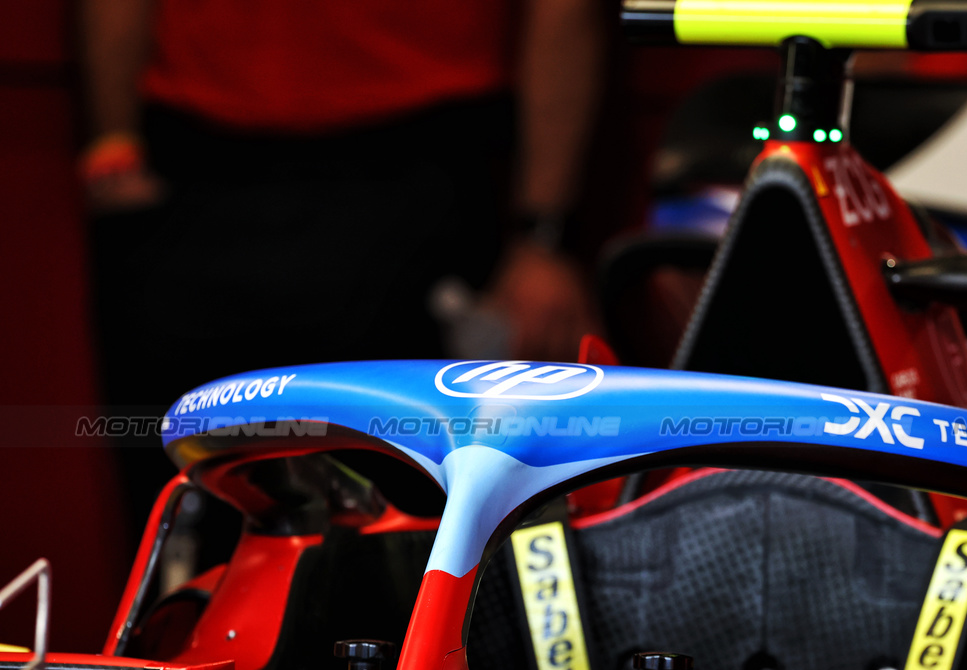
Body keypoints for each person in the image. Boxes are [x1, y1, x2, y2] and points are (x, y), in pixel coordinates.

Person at [79, 0, 606, 536]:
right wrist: (113, 148)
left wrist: (545, 236)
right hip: (196, 174)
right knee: (192, 540)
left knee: (418, 544)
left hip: (415, 171)